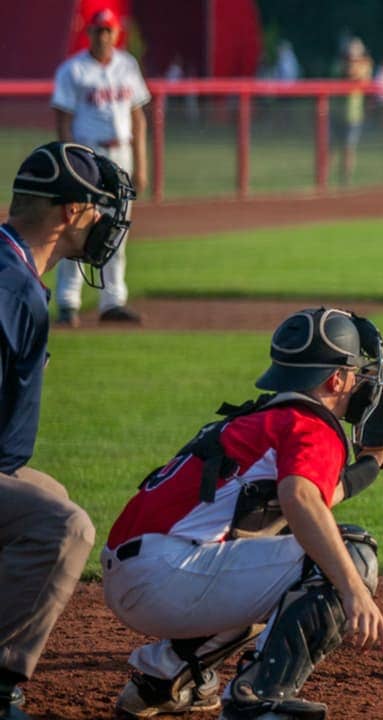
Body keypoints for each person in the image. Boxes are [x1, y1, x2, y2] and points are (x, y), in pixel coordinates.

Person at [100, 307, 383, 719]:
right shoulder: (311, 425)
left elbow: (313, 495)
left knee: (288, 554)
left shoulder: (269, 417)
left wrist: (369, 465)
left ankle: (165, 676)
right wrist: (353, 590)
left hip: (141, 570)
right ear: (335, 379)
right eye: (355, 372)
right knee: (348, 555)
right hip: (168, 575)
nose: (361, 381)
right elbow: (300, 498)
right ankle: (258, 699)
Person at [1, 141, 135, 720]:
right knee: (65, 528)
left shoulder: (11, 269)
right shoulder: (11, 286)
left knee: (48, 494)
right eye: (97, 208)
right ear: (68, 212)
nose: (105, 222)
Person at [51, 7, 149, 326]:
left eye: (108, 30)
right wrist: (70, 163)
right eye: (98, 30)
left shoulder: (127, 65)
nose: (103, 36)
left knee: (117, 228)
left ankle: (112, 301)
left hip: (121, 154)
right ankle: (68, 302)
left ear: (116, 33)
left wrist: (142, 163)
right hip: (88, 156)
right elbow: (63, 121)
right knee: (74, 227)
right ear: (89, 33)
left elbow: (138, 117)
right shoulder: (73, 70)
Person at [338, 38, 373, 185]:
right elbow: (341, 73)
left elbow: (359, 76)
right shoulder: (341, 64)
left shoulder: (365, 65)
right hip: (337, 113)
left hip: (354, 115)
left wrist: (356, 63)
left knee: (349, 147)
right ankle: (324, 180)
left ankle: (346, 179)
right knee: (328, 148)